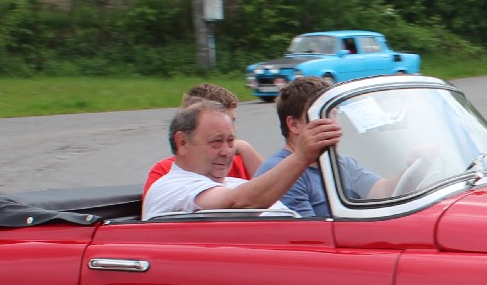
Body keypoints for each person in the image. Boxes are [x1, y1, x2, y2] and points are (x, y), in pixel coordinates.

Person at [141, 100, 340, 219]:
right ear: (183, 142)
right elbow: (239, 203)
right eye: (216, 142)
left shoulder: (233, 184)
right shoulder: (172, 186)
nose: (227, 151)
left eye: (231, 141)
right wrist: (302, 156)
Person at [254, 76, 401, 217]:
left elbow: (383, 191)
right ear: (294, 125)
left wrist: (413, 169)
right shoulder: (281, 173)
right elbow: (308, 230)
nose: (335, 124)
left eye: (335, 114)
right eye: (323, 116)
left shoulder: (342, 164)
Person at [142, 83, 259, 192]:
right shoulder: (164, 171)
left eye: (232, 121)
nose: (231, 129)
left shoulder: (237, 160)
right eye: (216, 139)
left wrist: (245, 149)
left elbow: (267, 191)